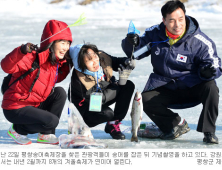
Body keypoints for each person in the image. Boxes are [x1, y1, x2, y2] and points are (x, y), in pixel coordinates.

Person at [122, 0, 222, 144]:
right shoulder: (155, 34)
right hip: (166, 86)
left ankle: (209, 132)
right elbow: (135, 53)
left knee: (211, 86)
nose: (177, 25)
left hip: (191, 87)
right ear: (164, 20)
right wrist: (131, 42)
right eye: (172, 21)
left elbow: (215, 63)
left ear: (185, 16)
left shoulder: (199, 41)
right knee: (144, 99)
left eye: (181, 19)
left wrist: (208, 71)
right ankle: (175, 124)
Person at [1, 20, 73, 145]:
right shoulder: (32, 57)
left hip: (33, 104)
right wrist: (21, 51)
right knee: (52, 121)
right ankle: (17, 129)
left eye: (68, 43)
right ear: (51, 42)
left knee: (59, 92)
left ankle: (46, 135)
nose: (66, 47)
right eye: (62, 43)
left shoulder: (54, 62)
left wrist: (69, 63)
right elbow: (6, 66)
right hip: (15, 106)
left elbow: (55, 79)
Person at [68, 43, 135, 140]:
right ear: (81, 63)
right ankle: (83, 126)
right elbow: (100, 99)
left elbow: (114, 61)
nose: (95, 62)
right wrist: (118, 85)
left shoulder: (101, 57)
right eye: (89, 60)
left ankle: (113, 123)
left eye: (95, 57)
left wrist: (127, 61)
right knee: (107, 114)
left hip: (103, 93)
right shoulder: (79, 80)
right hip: (87, 109)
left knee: (128, 86)